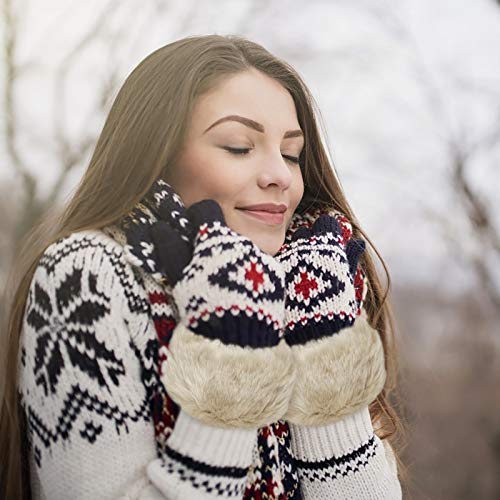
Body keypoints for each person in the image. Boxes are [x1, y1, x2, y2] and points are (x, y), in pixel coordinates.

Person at [0, 34, 406, 499]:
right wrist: (230, 356)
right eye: (238, 146)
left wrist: (324, 348)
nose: (280, 175)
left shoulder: (316, 279)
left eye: (291, 153)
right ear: (157, 153)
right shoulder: (86, 276)